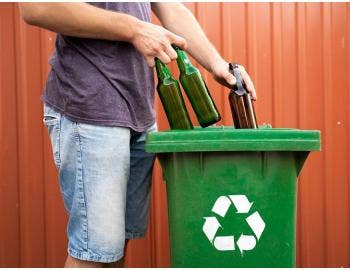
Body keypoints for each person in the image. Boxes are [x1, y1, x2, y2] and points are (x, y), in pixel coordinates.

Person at [19, 3, 257, 268]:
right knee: (94, 255)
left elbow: (169, 7)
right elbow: (36, 7)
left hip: (138, 114)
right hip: (90, 108)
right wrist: (134, 29)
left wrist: (217, 64)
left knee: (114, 249)